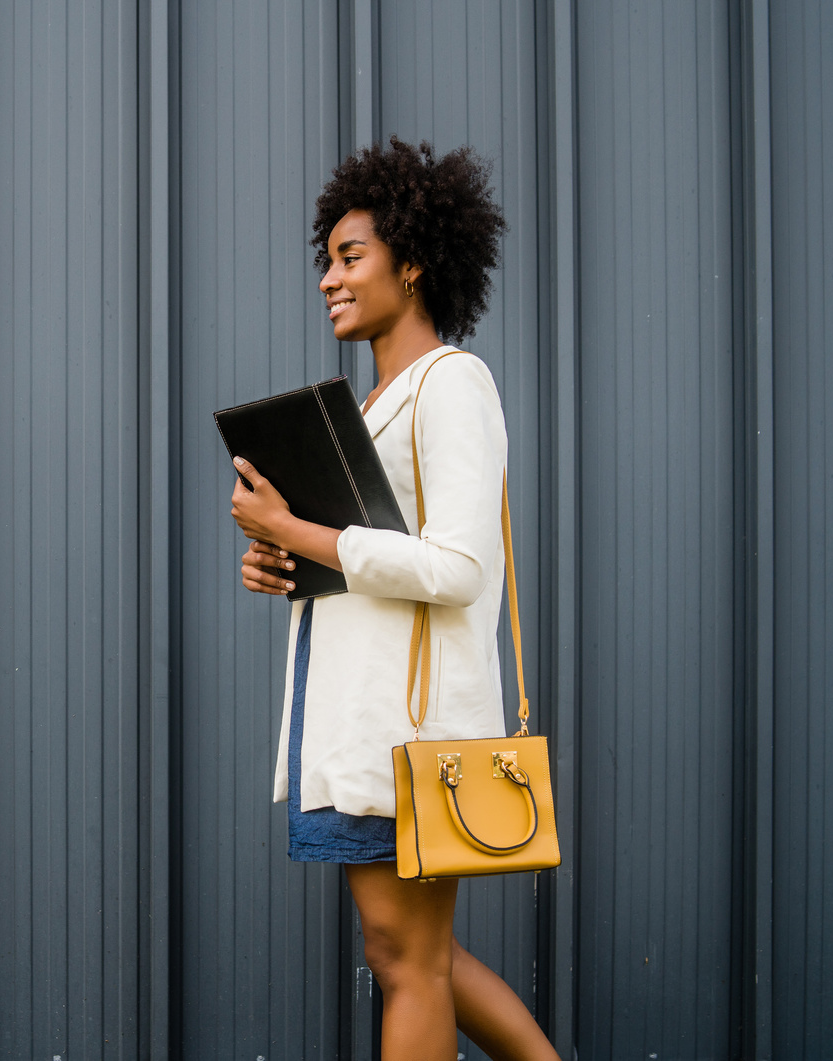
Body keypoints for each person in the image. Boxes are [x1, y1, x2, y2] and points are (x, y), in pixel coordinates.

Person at [227, 137, 559, 1061]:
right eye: (325, 261)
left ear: (413, 263)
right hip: (360, 725)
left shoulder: (451, 383)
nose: (329, 278)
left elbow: (458, 567)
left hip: (409, 732)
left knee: (406, 958)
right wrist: (281, 564)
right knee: (416, 950)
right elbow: (373, 563)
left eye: (351, 256)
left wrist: (298, 532)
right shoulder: (371, 408)